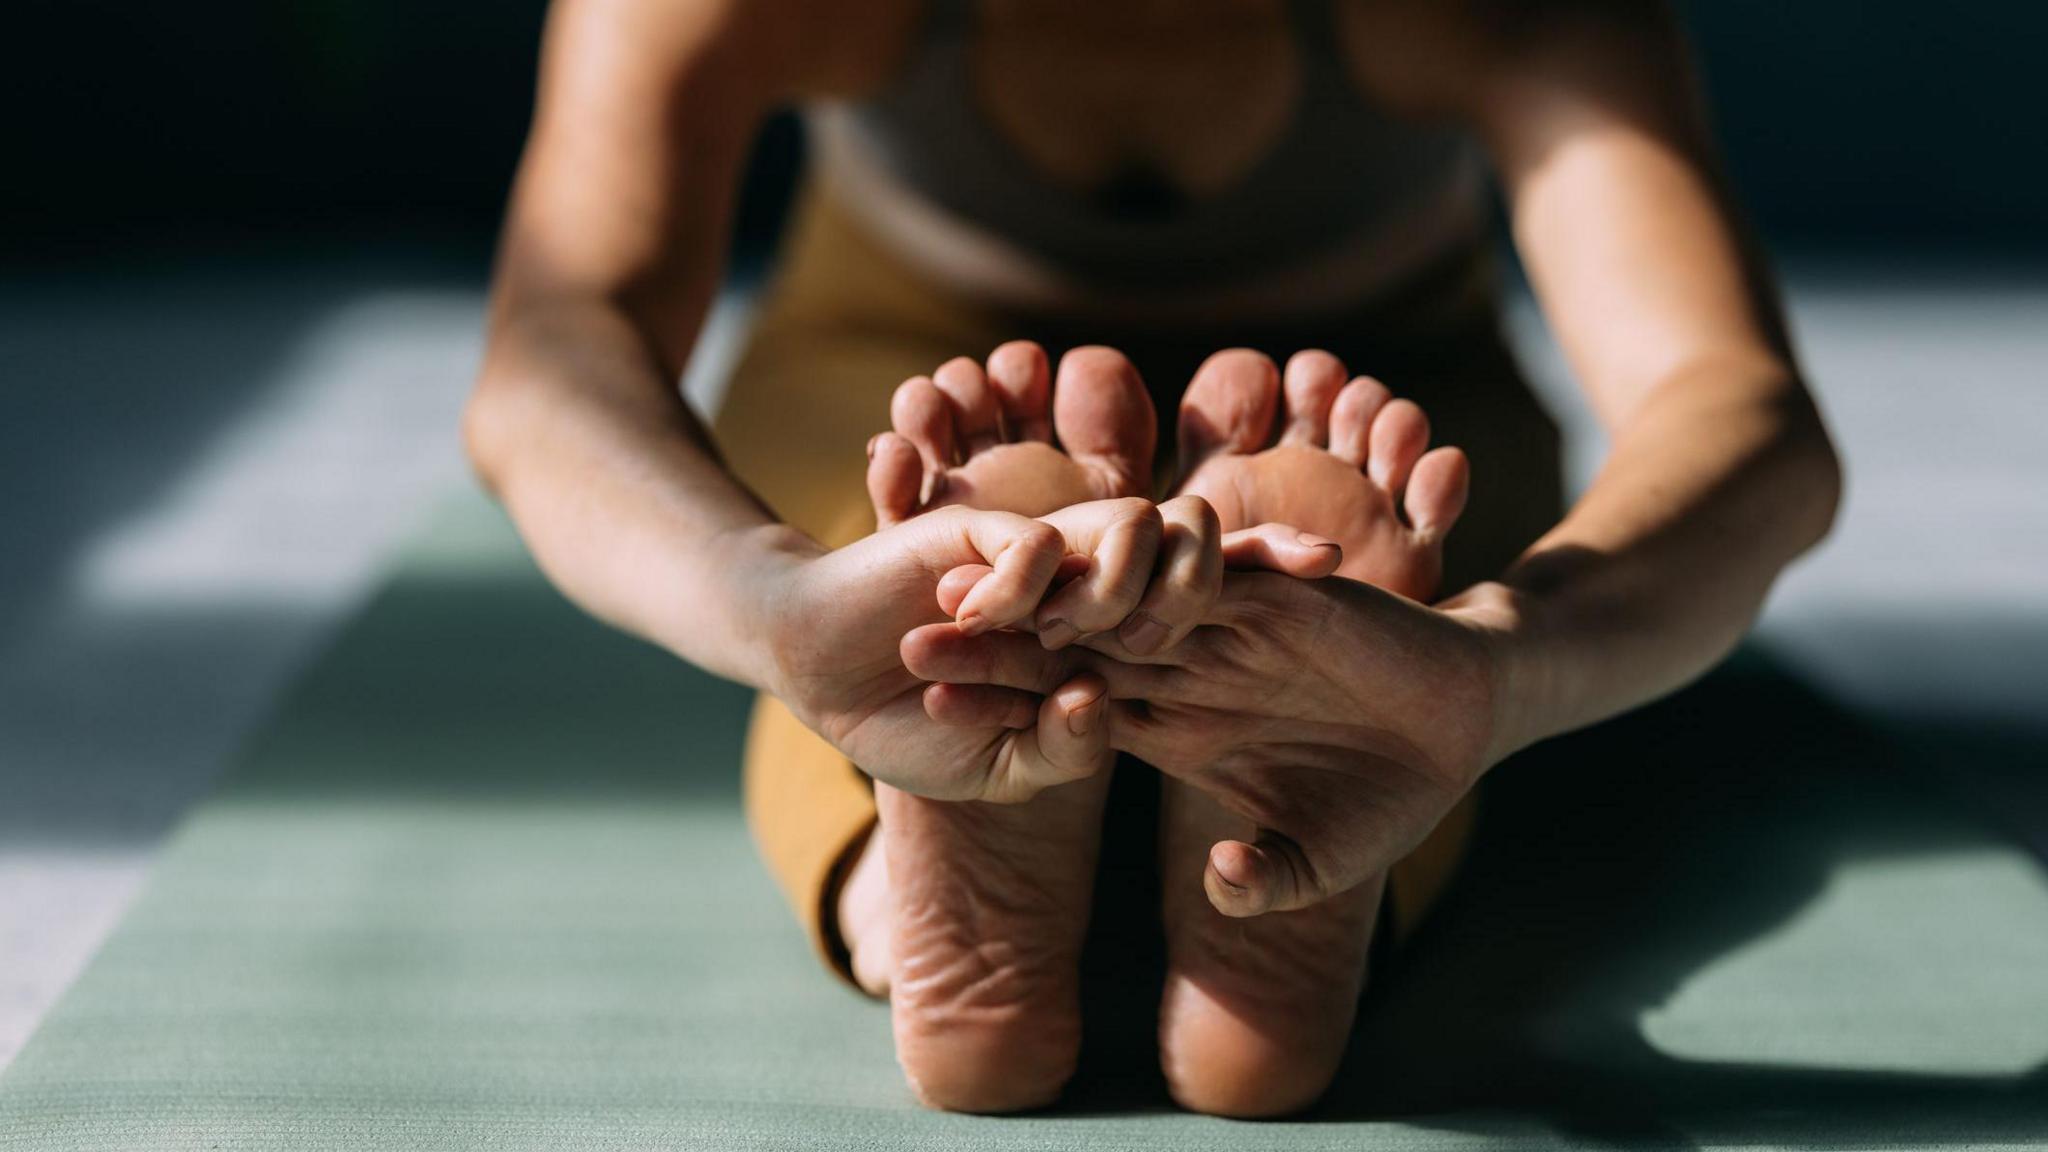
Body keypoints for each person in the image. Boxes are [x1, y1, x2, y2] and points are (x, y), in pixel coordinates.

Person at [462, 0, 1842, 1118]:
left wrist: (1499, 661)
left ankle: (922, 834)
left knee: (1373, 617)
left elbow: (1740, 421)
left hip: (1381, 387)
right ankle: (1294, 879)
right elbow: (554, 366)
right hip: (910, 358)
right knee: (879, 550)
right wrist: (766, 597)